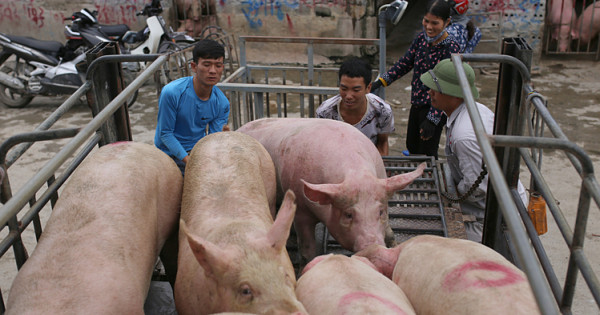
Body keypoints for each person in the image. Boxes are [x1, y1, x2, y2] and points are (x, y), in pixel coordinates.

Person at [420, 58, 528, 242]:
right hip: (496, 202)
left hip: (491, 217)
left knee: (435, 240)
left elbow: (476, 187)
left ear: (454, 94)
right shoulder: (474, 109)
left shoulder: (464, 136)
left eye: (436, 89)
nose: (430, 92)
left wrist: (450, 194)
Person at [371, 0, 460, 159]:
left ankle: (428, 182)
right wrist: (381, 82)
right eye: (426, 21)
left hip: (435, 105)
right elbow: (405, 63)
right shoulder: (421, 39)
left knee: (427, 151)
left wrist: (433, 119)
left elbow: (446, 86)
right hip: (417, 102)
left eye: (435, 23)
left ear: (447, 22)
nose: (429, 27)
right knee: (412, 145)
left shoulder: (450, 47)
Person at [154, 39, 230, 175]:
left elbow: (212, 139)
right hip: (168, 154)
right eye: (207, 65)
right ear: (194, 66)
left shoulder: (222, 103)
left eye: (218, 66)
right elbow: (165, 134)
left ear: (222, 68)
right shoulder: (172, 92)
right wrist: (190, 162)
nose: (213, 71)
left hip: (197, 152)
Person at [316, 57, 395, 156]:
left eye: (356, 90)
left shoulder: (383, 111)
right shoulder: (325, 112)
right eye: (344, 88)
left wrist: (380, 169)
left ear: (368, 88)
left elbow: (382, 143)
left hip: (369, 161)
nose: (348, 96)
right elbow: (322, 147)